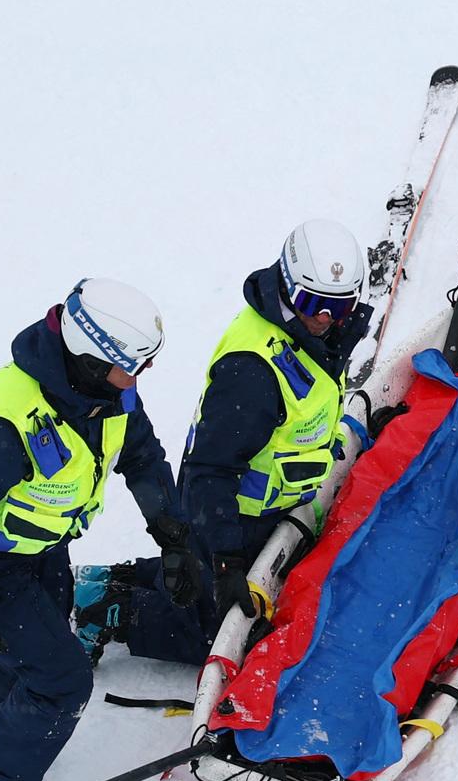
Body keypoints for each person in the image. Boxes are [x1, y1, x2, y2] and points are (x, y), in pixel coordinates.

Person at [0, 278, 197, 781]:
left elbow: (142, 456)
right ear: (92, 359)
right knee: (63, 678)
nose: (139, 379)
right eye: (132, 366)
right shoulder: (7, 422)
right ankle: (2, 774)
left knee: (28, 648)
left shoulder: (108, 396)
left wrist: (171, 534)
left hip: (43, 550)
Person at [144, 219, 374, 663]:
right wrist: (226, 558)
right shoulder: (253, 372)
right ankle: (110, 612)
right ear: (287, 287)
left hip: (271, 505)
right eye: (312, 302)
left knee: (194, 586)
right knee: (210, 632)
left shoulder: (317, 334)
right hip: (231, 513)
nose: (325, 318)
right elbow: (207, 471)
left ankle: (137, 579)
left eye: (339, 307)